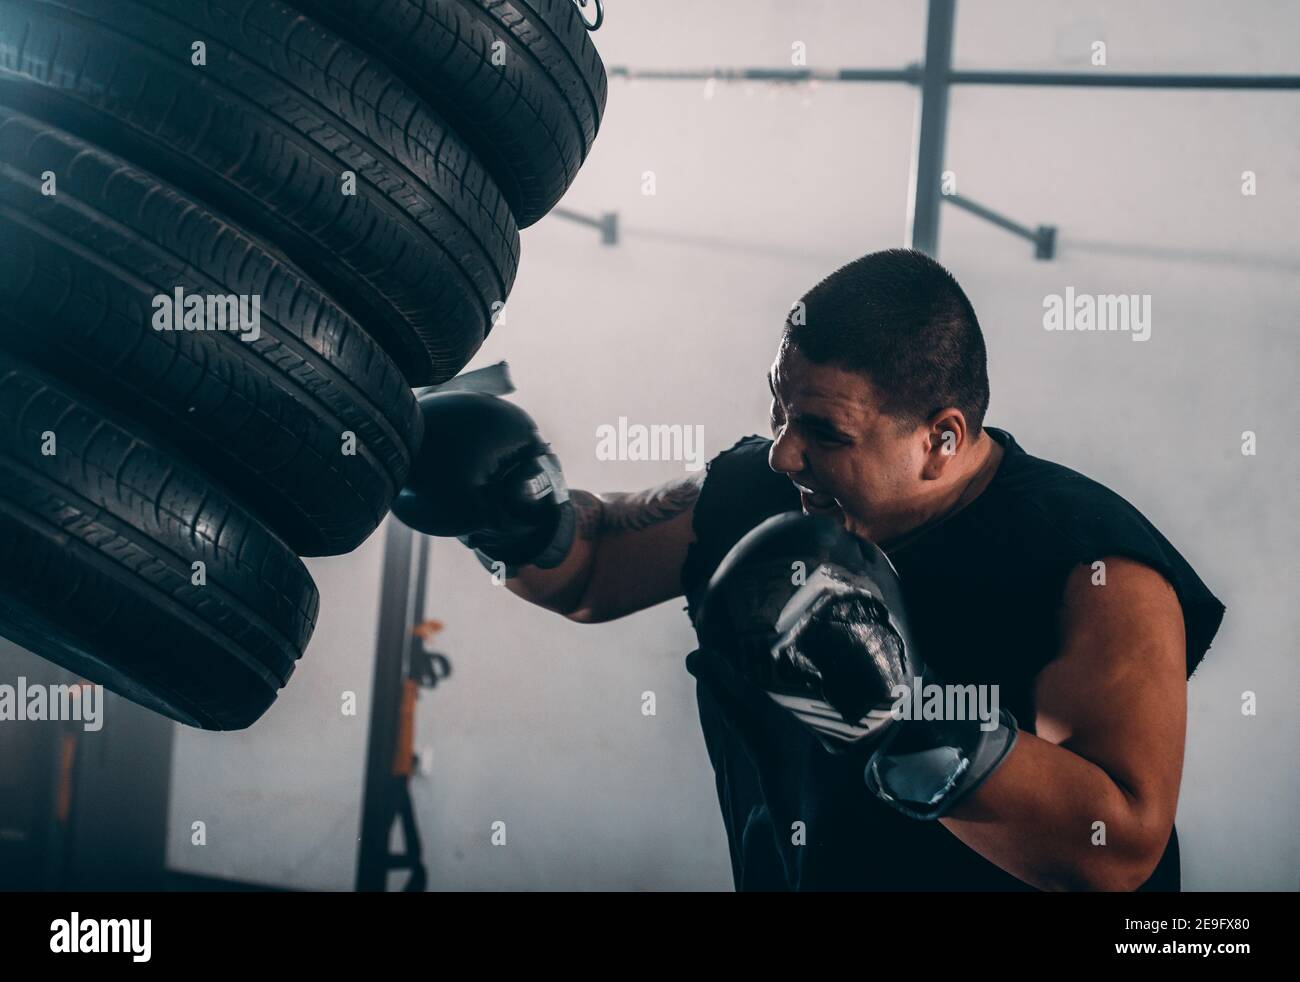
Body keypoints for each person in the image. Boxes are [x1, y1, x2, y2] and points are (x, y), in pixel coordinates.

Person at [393, 248, 1225, 891]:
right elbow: (591, 568)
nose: (785, 450)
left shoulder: (1092, 563)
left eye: (825, 432)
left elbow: (1116, 853)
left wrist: (907, 718)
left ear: (942, 439)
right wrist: (506, 504)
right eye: (778, 407)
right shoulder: (765, 490)